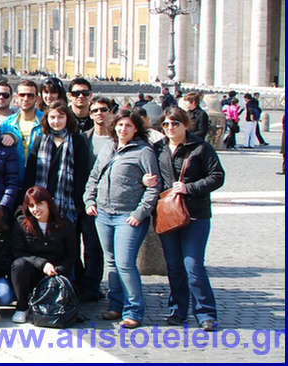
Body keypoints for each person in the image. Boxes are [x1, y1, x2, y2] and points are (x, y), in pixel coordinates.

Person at [84, 109, 159, 329]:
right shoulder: (109, 147)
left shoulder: (144, 151)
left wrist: (140, 213)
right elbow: (94, 176)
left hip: (128, 216)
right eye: (120, 125)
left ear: (136, 129)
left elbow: (154, 187)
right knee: (111, 263)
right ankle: (115, 304)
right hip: (103, 213)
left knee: (125, 263)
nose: (123, 129)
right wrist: (89, 200)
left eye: (128, 126)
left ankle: (134, 310)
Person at [154, 107, 225, 331]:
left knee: (193, 266)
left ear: (185, 124)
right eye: (166, 124)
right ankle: (178, 310)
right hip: (168, 214)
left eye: (175, 123)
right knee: (174, 266)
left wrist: (189, 188)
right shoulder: (158, 148)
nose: (171, 128)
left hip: (195, 213)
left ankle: (205, 313)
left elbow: (217, 176)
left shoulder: (201, 148)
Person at [9, 186, 78, 324]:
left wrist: (58, 269)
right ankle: (22, 307)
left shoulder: (64, 224)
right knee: (18, 265)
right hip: (32, 271)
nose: (36, 209)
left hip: (56, 273)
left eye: (40, 203)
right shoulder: (22, 223)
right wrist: (42, 264)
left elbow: (72, 254)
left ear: (48, 203)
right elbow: (18, 252)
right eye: (31, 206)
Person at [23, 101, 90, 227]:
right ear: (46, 119)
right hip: (41, 200)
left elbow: (81, 174)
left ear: (67, 118)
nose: (56, 121)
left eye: (60, 117)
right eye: (52, 117)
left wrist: (79, 202)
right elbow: (31, 172)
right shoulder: (40, 140)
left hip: (67, 201)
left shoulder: (77, 141)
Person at [78, 96, 116, 302]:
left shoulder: (118, 138)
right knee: (86, 244)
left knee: (100, 248)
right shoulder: (84, 138)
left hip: (110, 200)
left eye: (103, 109)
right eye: (95, 111)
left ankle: (96, 286)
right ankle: (85, 284)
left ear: (111, 112)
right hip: (85, 198)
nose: (99, 114)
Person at [0, 80, 44, 182]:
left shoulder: (46, 121)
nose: (26, 98)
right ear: (16, 97)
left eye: (30, 95)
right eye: (22, 95)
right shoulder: (6, 124)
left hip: (39, 180)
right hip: (12, 180)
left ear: (37, 98)